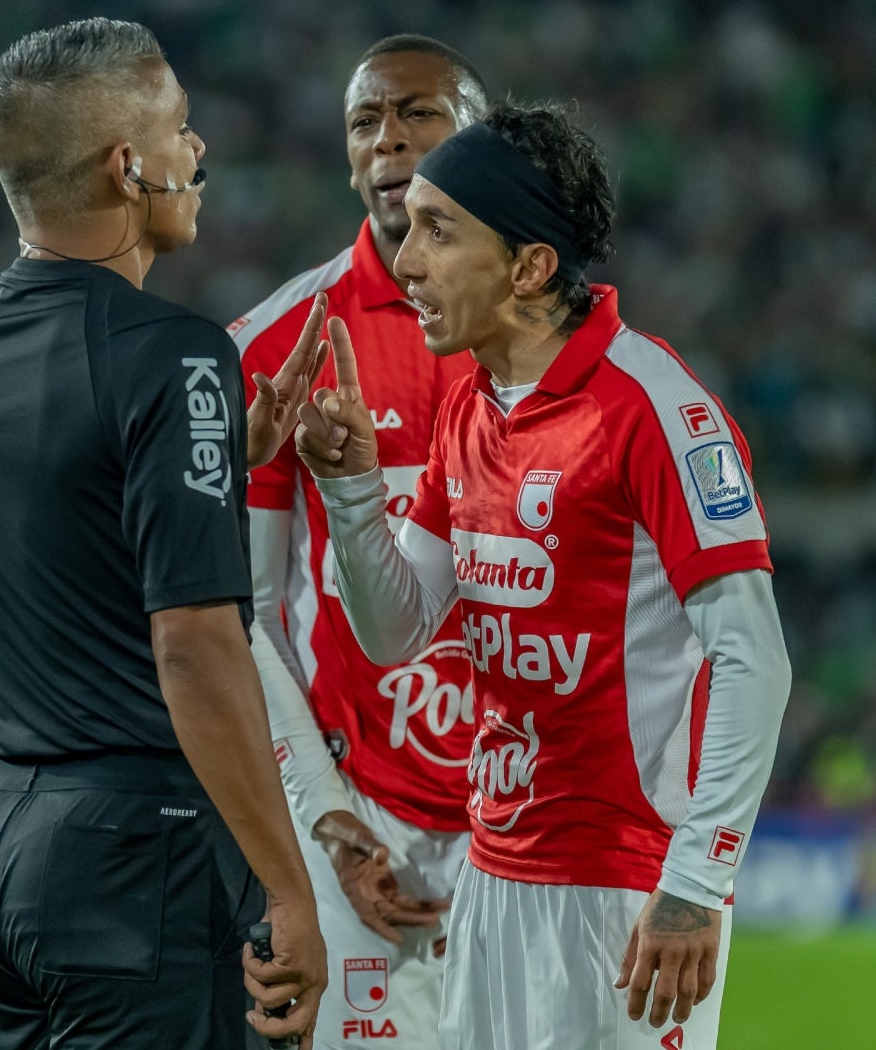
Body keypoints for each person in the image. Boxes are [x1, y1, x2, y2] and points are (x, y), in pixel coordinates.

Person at [293, 103, 794, 1048]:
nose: (407, 261)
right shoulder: (470, 413)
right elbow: (399, 634)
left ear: (529, 269)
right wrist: (355, 493)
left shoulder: (654, 412)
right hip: (494, 875)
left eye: (440, 231)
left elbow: (754, 660)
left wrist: (696, 884)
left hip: (625, 892)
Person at [0, 17, 328, 1049]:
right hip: (138, 859)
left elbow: (50, 550)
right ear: (127, 165)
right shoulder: (176, 354)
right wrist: (290, 891)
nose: (197, 154)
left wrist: (213, 471)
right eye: (181, 129)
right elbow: (192, 646)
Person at [231, 34, 487, 1049]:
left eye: (419, 114)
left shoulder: (548, 346)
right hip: (360, 823)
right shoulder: (279, 345)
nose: (390, 139)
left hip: (529, 829)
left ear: (483, 139)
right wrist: (329, 821)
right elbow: (243, 616)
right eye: (365, 121)